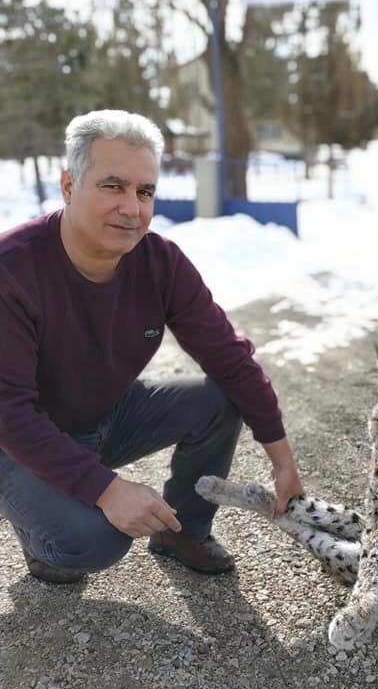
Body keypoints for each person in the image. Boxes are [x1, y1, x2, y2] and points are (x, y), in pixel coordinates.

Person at [0, 110, 304, 586]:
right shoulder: (12, 270)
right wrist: (106, 489)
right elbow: (8, 412)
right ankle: (41, 538)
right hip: (15, 443)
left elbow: (230, 357)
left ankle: (183, 532)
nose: (132, 208)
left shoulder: (160, 263)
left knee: (220, 396)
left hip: (104, 415)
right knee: (95, 541)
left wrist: (282, 459)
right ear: (67, 185)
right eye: (112, 186)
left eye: (145, 192)